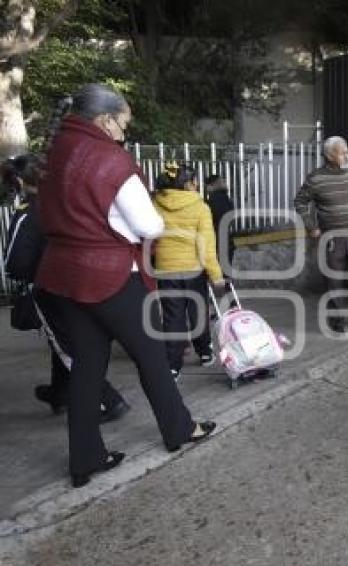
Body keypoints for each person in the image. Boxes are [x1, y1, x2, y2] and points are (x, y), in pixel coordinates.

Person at [36, 84, 215, 488]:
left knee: (86, 365)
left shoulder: (54, 153)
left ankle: (85, 459)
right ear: (104, 120)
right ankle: (179, 429)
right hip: (110, 274)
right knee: (151, 354)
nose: (123, 132)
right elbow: (150, 226)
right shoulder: (109, 159)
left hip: (64, 273)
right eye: (123, 123)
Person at [3, 155, 129, 421]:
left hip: (50, 287)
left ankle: (107, 400)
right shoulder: (69, 202)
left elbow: (15, 261)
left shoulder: (30, 211)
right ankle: (59, 392)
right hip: (82, 281)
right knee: (63, 339)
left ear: (19, 181)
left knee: (67, 345)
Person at [294, 136, 348, 333]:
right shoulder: (316, 178)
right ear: (330, 155)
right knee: (333, 280)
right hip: (332, 238)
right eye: (343, 152)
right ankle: (336, 320)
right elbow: (300, 201)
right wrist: (311, 225)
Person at [154, 162, 225, 380]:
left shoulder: (156, 204)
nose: (197, 185)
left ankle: (173, 366)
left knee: (172, 317)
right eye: (194, 181)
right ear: (187, 184)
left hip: (166, 269)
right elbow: (206, 245)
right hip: (193, 270)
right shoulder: (200, 207)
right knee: (198, 313)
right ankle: (204, 353)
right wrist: (216, 275)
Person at [204, 174, 236, 269]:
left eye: (206, 186)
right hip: (227, 241)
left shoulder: (214, 200)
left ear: (211, 185)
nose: (205, 189)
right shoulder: (226, 198)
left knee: (218, 274)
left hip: (217, 242)